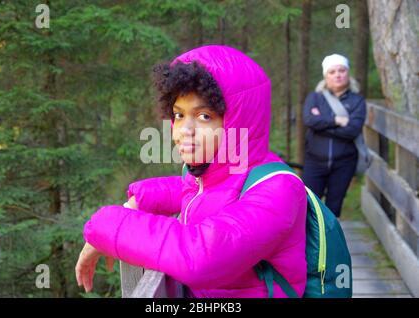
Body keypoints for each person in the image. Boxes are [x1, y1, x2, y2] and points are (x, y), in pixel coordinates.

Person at [75, 45, 307, 298]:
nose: (185, 129)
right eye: (179, 114)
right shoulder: (214, 170)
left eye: (204, 116)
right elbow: (199, 190)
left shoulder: (279, 190)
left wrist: (106, 225)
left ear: (239, 120)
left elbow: (201, 257)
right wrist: (139, 200)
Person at [302, 53, 367, 218]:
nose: (337, 75)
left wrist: (321, 124)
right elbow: (309, 120)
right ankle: (312, 243)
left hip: (344, 163)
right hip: (314, 161)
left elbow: (353, 130)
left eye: (342, 70)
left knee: (333, 209)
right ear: (326, 76)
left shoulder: (357, 101)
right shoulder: (315, 98)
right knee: (308, 206)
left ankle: (330, 242)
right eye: (332, 72)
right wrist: (337, 120)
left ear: (348, 73)